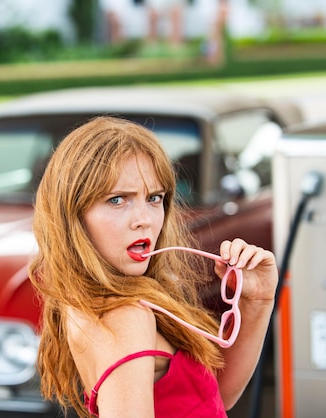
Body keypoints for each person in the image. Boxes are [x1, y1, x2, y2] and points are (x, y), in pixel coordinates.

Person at [29, 116, 277, 417]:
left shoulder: (106, 301)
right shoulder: (124, 316)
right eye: (117, 199)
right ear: (73, 214)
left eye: (154, 198)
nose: (144, 219)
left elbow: (212, 398)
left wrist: (257, 300)